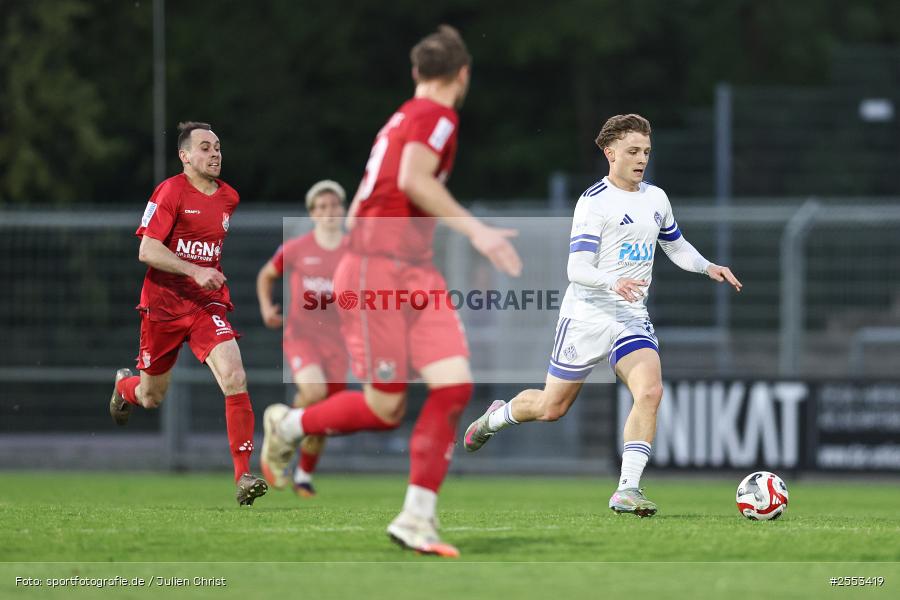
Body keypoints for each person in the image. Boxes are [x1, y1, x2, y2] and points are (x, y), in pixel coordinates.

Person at [260, 25, 522, 557]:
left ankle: (415, 519)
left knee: (452, 388)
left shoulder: (402, 116)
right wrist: (479, 232)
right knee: (385, 409)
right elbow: (413, 180)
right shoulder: (439, 117)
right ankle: (288, 424)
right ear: (463, 74)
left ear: (416, 72)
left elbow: (366, 194)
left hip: (411, 270)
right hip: (379, 271)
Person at [463, 114, 742, 517]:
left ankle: (627, 488)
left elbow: (676, 246)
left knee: (650, 391)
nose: (641, 158)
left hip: (629, 316)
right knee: (551, 408)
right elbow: (576, 269)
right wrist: (613, 282)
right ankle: (496, 418)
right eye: (632, 151)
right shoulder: (595, 202)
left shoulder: (656, 199)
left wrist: (707, 266)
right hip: (587, 315)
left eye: (646, 151)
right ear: (610, 153)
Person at [109, 121, 268, 506]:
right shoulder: (169, 192)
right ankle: (122, 388)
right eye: (205, 148)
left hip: (204, 305)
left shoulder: (228, 196)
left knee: (234, 375)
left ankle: (243, 476)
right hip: (162, 306)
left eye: (217, 147)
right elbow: (147, 250)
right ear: (184, 156)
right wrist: (196, 270)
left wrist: (203, 278)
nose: (215, 154)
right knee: (151, 396)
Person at [256, 180, 349, 497]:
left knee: (324, 415)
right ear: (312, 214)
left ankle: (304, 475)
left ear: (344, 209)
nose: (329, 212)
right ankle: (280, 433)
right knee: (314, 392)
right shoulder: (296, 248)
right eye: (322, 207)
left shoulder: (355, 252)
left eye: (334, 205)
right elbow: (266, 275)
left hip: (340, 344)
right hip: (302, 336)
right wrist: (267, 307)